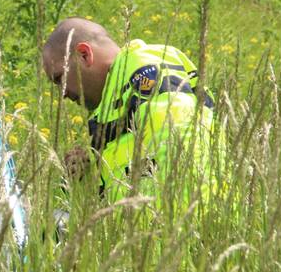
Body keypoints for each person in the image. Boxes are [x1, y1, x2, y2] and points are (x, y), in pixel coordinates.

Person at [41, 17, 220, 206]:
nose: (62, 93)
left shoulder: (143, 70)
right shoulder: (117, 96)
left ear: (84, 55)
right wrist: (89, 173)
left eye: (59, 78)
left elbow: (185, 157)